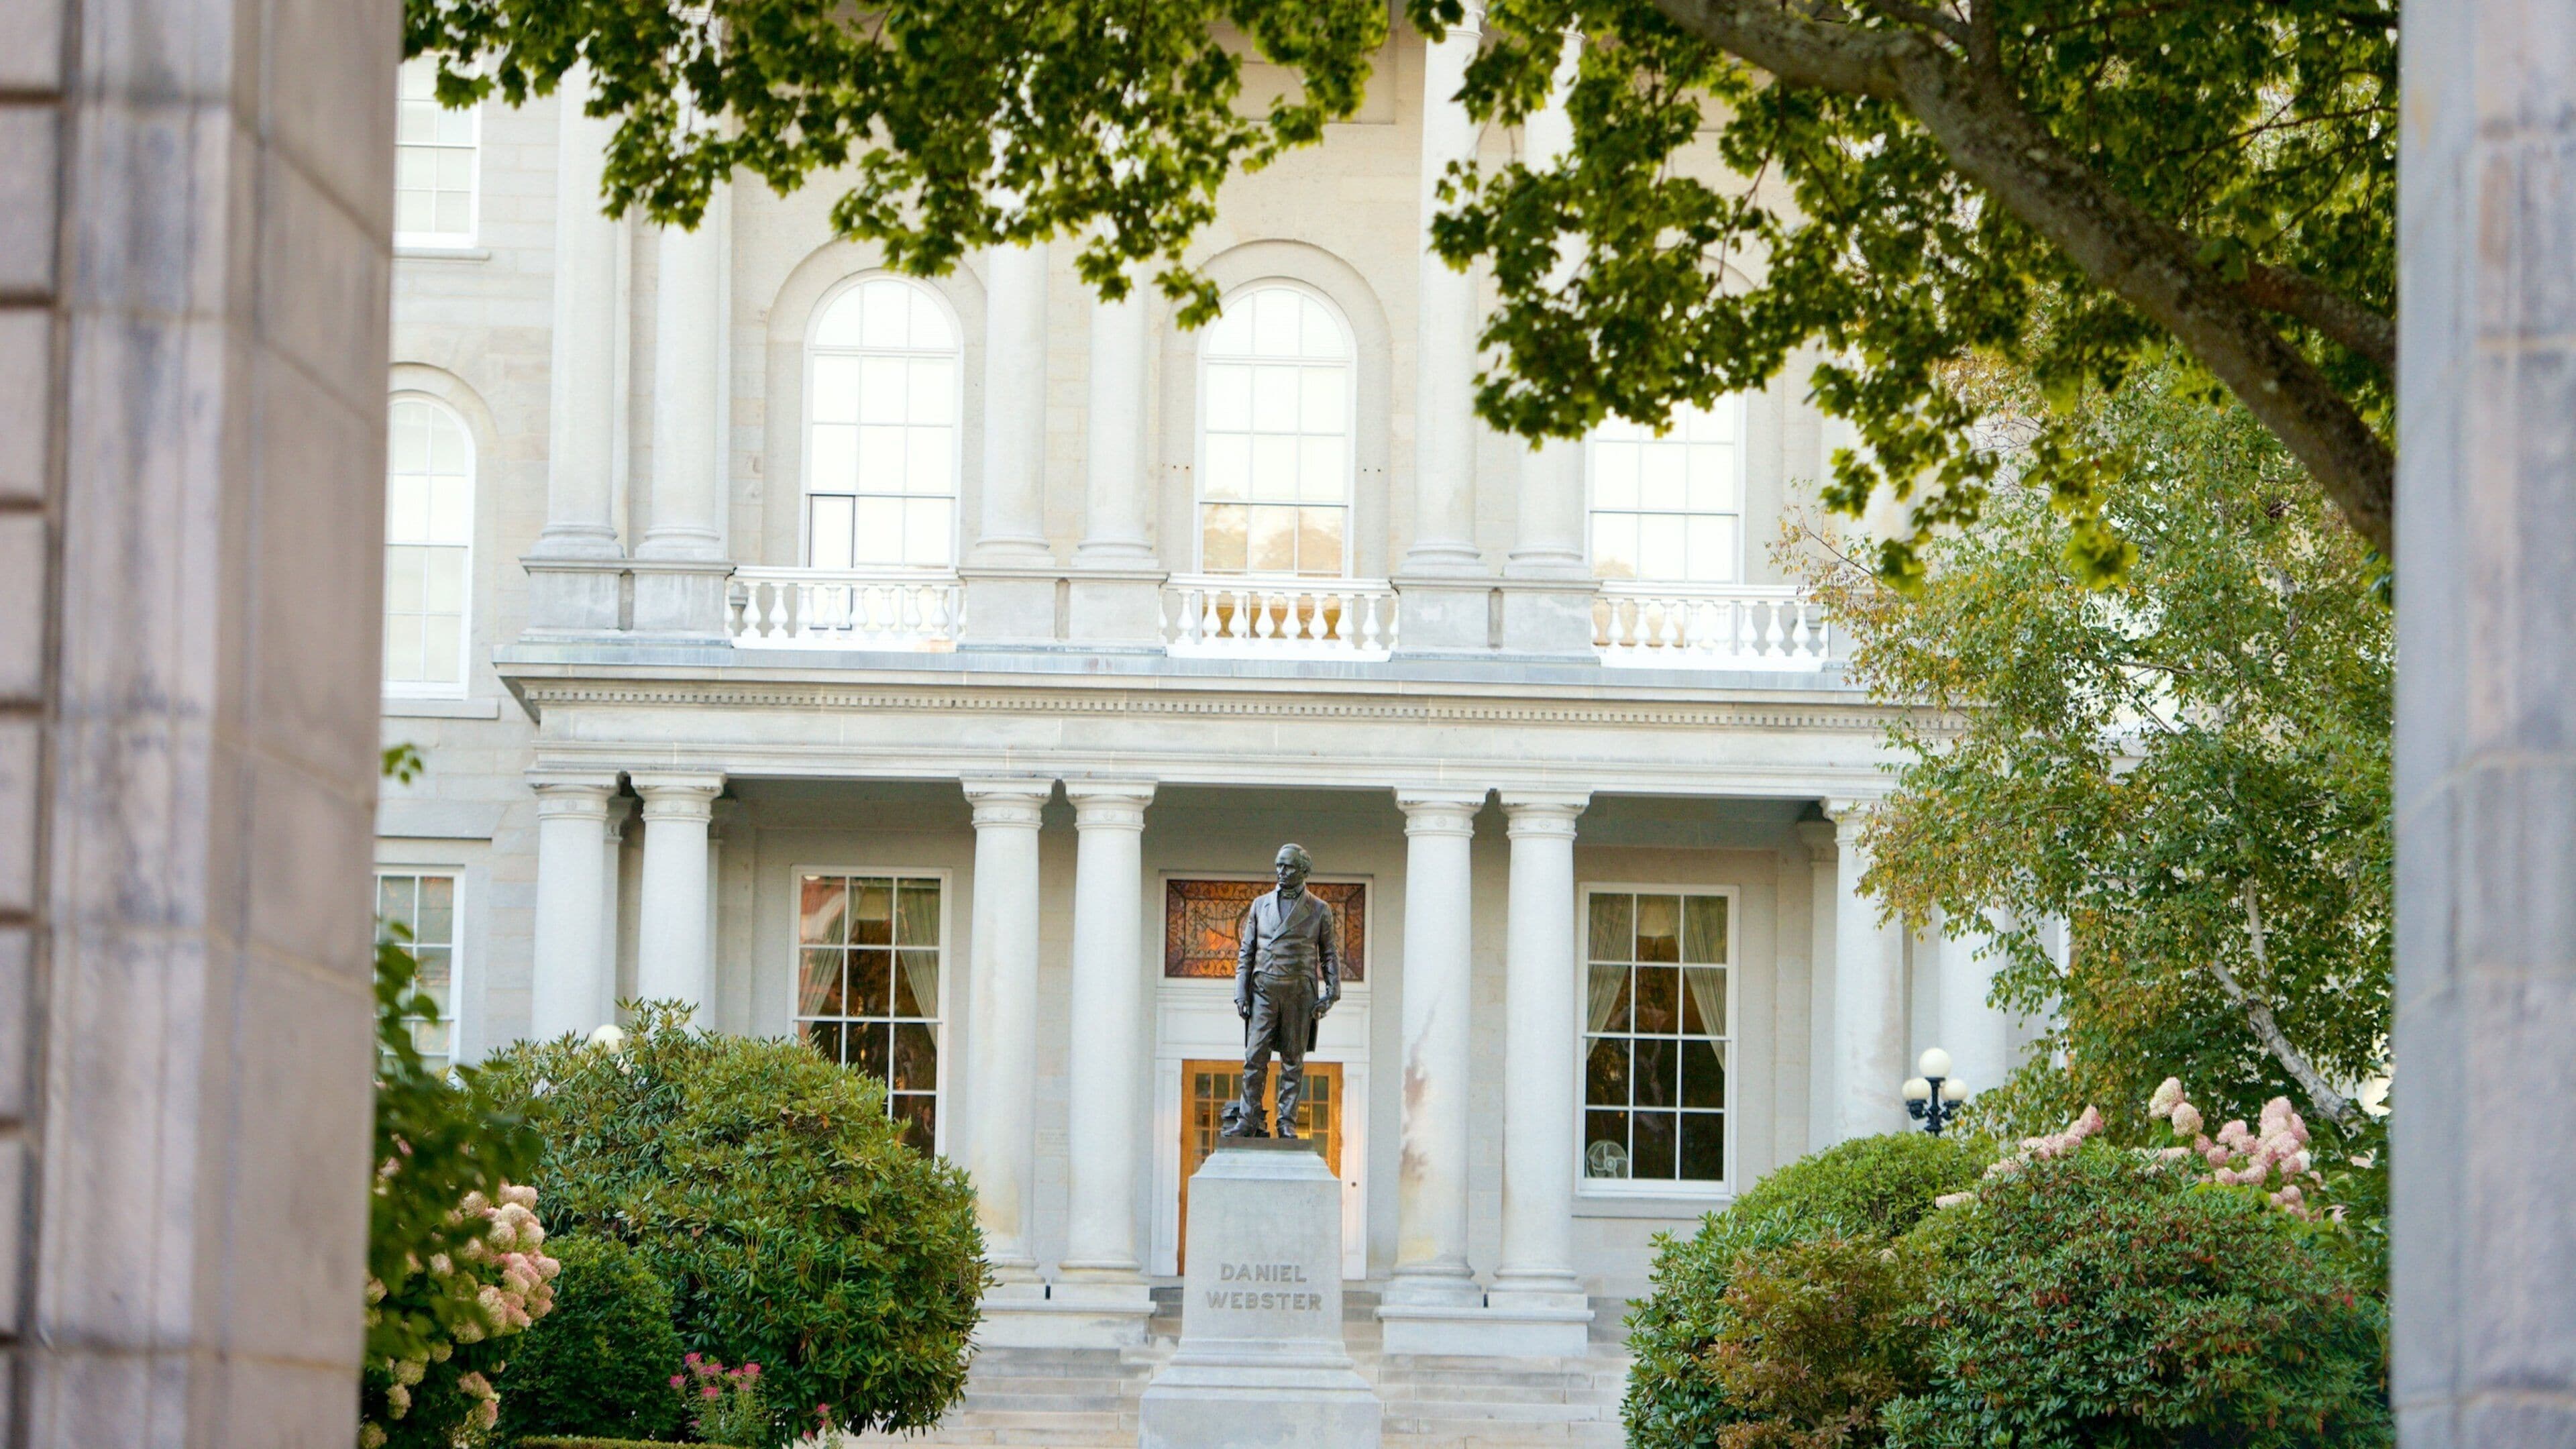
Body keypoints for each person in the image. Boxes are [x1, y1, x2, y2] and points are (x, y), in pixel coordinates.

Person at [1224, 843, 1340, 1139]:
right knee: (1254, 1057)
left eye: (1287, 866)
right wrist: (1241, 992)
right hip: (1263, 988)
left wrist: (1333, 990)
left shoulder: (1319, 909)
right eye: (1278, 865)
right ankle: (1248, 1119)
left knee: (1293, 1060)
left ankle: (1286, 1122)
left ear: (1304, 871)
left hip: (1299, 992)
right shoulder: (1259, 905)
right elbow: (1246, 952)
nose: (1281, 871)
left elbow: (1328, 953)